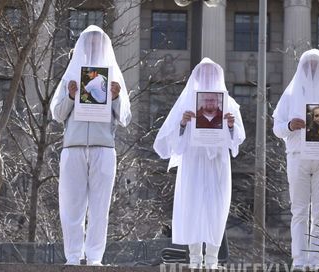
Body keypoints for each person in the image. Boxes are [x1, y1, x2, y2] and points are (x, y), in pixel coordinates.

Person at [50, 25, 131, 266]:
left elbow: (125, 117)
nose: (93, 46)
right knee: (71, 206)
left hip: (103, 149)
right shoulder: (70, 76)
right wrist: (71, 95)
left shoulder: (114, 76)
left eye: (98, 42)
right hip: (73, 148)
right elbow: (57, 113)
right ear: (82, 46)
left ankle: (95, 258)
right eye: (89, 42)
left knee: (99, 206)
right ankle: (73, 257)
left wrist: (115, 97)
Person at [153, 58, 245, 269]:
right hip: (193, 162)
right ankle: (195, 258)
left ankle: (212, 258)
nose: (208, 79)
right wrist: (183, 123)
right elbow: (172, 141)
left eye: (212, 75)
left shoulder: (229, 104)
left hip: (218, 164)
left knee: (216, 207)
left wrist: (231, 126)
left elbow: (238, 140)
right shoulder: (186, 104)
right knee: (192, 206)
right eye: (204, 74)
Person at [273, 49, 319, 270]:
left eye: (316, 65)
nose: (312, 69)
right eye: (308, 64)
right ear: (301, 67)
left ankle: (316, 260)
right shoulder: (290, 94)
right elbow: (277, 128)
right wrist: (290, 126)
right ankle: (299, 260)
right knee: (300, 210)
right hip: (297, 156)